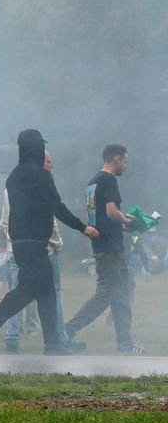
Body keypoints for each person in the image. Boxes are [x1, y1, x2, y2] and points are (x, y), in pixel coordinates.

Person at [0, 130, 97, 355]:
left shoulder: (13, 176)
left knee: (47, 291)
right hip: (33, 242)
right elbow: (56, 206)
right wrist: (83, 227)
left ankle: (52, 344)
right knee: (28, 289)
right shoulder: (40, 175)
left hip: (21, 242)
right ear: (36, 148)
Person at [63, 144, 142, 354]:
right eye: (125, 161)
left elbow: (95, 218)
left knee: (122, 293)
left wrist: (122, 225)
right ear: (116, 159)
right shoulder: (109, 180)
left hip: (103, 245)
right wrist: (126, 220)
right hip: (111, 249)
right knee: (105, 294)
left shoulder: (92, 183)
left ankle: (125, 343)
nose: (126, 165)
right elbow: (111, 211)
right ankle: (67, 331)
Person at [0, 150, 73, 354]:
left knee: (17, 293)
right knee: (53, 294)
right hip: (42, 250)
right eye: (48, 161)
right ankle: (58, 340)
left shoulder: (9, 188)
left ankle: (12, 339)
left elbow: (3, 224)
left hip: (15, 249)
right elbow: (51, 221)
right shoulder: (40, 185)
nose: (51, 166)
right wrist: (56, 244)